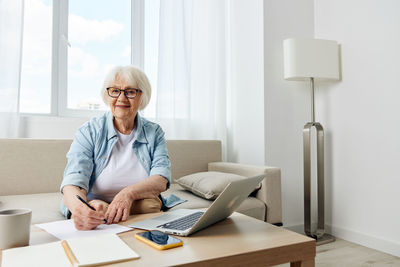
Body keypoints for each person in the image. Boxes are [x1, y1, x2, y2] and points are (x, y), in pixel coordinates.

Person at [60, 65, 171, 230]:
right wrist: (80, 210)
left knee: (150, 205)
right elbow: (72, 181)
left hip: (137, 202)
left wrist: (127, 194)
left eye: (130, 92)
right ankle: (104, 211)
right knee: (147, 206)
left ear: (142, 96)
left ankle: (109, 212)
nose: (122, 98)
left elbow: (161, 178)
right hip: (96, 201)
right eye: (115, 91)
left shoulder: (153, 132)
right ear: (107, 94)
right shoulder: (89, 131)